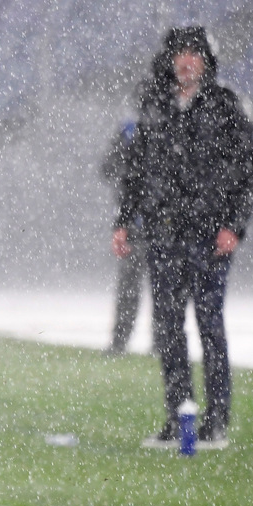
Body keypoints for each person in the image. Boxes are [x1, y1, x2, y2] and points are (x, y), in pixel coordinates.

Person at [113, 27, 253, 448]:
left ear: (207, 61)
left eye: (195, 53)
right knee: (168, 328)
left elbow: (247, 172)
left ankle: (216, 419)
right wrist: (124, 221)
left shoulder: (226, 106)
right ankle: (180, 416)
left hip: (210, 236)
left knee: (209, 324)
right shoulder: (155, 106)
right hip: (164, 234)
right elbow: (135, 170)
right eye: (180, 52)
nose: (187, 60)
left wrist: (234, 225)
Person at [100, 119, 147, 356]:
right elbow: (108, 169)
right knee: (138, 285)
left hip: (146, 224)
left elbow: (108, 169)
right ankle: (161, 342)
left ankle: (121, 342)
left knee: (133, 285)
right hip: (141, 224)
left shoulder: (130, 131)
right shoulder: (130, 131)